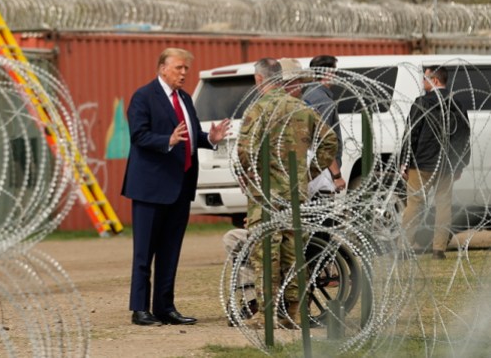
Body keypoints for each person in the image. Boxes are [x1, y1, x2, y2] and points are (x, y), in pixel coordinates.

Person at [122, 48, 230, 326]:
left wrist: (211, 138)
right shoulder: (144, 96)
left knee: (170, 251)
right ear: (162, 68)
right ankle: (139, 309)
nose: (184, 73)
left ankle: (165, 308)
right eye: (179, 68)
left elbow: (191, 135)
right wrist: (166, 140)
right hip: (150, 186)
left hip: (180, 186)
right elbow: (138, 134)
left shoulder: (184, 98)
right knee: (144, 252)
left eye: (186, 69)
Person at [236, 57, 337, 329]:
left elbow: (244, 151)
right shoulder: (300, 108)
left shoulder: (258, 109)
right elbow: (330, 140)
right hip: (294, 193)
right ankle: (295, 311)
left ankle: (266, 314)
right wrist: (308, 173)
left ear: (259, 80)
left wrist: (250, 176)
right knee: (294, 252)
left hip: (265, 195)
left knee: (266, 252)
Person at [401, 66, 470, 260]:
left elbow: (411, 133)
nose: (423, 83)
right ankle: (439, 249)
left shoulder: (422, 102)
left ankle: (405, 246)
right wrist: (461, 163)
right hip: (447, 164)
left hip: (421, 163)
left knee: (414, 204)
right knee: (443, 206)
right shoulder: (456, 103)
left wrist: (404, 162)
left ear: (435, 81)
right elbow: (465, 135)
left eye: (425, 79)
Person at [303, 55, 346, 192]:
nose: (336, 76)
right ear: (328, 73)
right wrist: (336, 175)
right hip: (322, 173)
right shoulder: (323, 101)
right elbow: (324, 141)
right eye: (335, 72)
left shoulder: (308, 94)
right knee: (323, 211)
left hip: (311, 168)